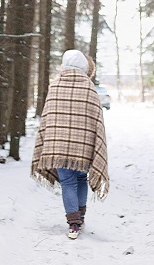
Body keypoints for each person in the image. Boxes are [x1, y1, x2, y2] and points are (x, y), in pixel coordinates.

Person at [31, 49, 110, 239]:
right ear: (84, 67)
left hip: (58, 145)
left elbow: (48, 117)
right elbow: (96, 120)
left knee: (67, 182)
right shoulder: (89, 88)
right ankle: (79, 216)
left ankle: (73, 222)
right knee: (81, 179)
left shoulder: (56, 85)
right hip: (82, 146)